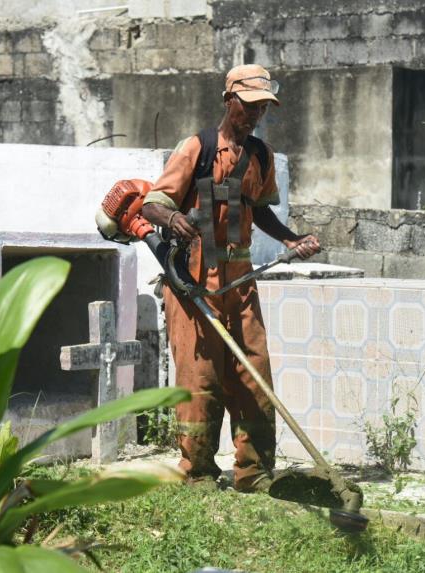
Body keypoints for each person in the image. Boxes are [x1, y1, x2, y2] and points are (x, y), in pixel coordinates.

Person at [141, 64, 321, 493]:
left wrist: (293, 239)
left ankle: (254, 472)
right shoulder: (196, 148)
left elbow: (260, 211)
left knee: (252, 374)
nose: (256, 115)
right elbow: (151, 205)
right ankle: (199, 472)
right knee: (200, 380)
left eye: (263, 108)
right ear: (230, 101)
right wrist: (174, 219)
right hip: (194, 284)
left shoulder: (261, 156)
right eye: (250, 105)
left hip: (240, 285)